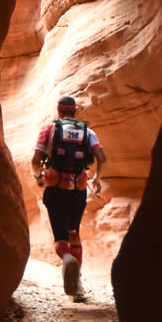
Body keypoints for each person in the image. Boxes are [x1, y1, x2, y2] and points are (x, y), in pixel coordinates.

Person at [32, 94, 105, 300]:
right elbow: (101, 157)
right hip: (78, 189)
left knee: (60, 234)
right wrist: (97, 179)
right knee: (74, 232)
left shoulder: (49, 129)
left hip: (55, 188)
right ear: (75, 111)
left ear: (58, 110)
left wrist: (38, 177)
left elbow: (35, 159)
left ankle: (66, 259)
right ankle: (78, 285)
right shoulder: (87, 131)